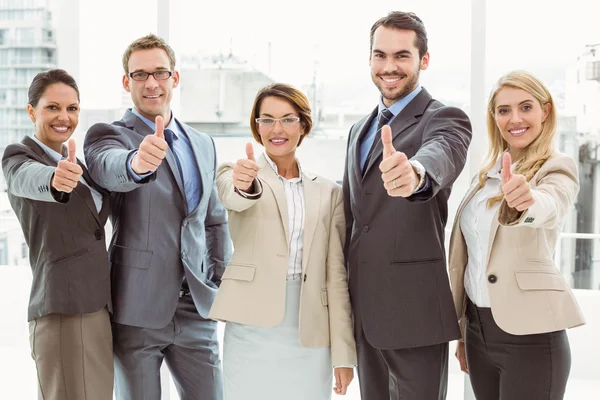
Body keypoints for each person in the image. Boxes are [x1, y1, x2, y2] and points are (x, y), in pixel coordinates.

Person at [83, 34, 232, 400]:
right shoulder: (109, 135)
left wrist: (218, 282)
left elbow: (213, 221)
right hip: (137, 310)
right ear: (126, 82)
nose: (151, 83)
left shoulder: (202, 142)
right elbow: (107, 167)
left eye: (160, 73)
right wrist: (136, 164)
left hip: (197, 308)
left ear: (175, 78)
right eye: (139, 75)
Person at [342, 11, 473, 399]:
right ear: (369, 60)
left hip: (414, 312)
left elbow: (440, 154)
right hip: (365, 310)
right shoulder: (359, 130)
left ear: (424, 60)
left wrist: (414, 173)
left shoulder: (444, 118)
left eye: (402, 56)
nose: (389, 66)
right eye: (380, 55)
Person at [209, 83, 356, 400]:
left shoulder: (329, 192)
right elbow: (234, 197)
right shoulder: (236, 173)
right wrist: (243, 184)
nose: (277, 129)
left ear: (303, 125)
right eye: (267, 119)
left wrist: (344, 354)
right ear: (257, 125)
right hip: (251, 326)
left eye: (288, 119)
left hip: (309, 331)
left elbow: (336, 276)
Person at [449, 70, 585, 400]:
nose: (515, 119)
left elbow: (551, 202)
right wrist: (465, 333)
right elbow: (475, 257)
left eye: (526, 107)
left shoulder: (556, 166)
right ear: (494, 117)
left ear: (545, 111)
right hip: (479, 331)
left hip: (532, 336)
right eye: (504, 110)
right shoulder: (486, 176)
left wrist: (525, 201)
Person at [2, 69, 113, 400]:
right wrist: (54, 179)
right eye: (53, 107)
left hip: (94, 306)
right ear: (31, 110)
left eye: (72, 108)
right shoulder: (19, 156)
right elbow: (27, 178)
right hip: (63, 310)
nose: (64, 117)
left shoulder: (80, 163)